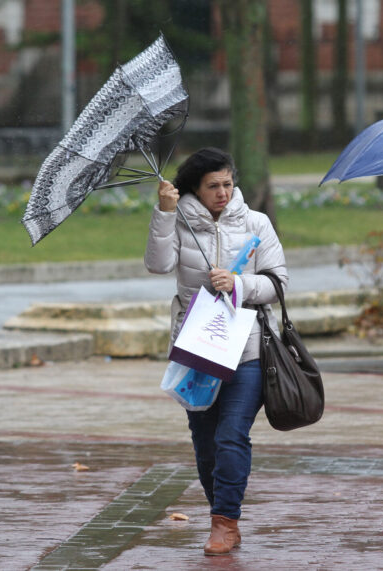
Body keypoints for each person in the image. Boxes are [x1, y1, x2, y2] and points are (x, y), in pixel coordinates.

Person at [144, 147, 288, 556]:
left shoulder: (256, 222)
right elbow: (157, 265)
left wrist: (239, 285)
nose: (223, 192)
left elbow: (279, 283)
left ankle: (225, 521)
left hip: (248, 349)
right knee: (205, 441)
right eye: (213, 186)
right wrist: (164, 213)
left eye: (227, 183)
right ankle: (220, 513)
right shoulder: (178, 220)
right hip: (196, 350)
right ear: (195, 188)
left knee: (231, 436)